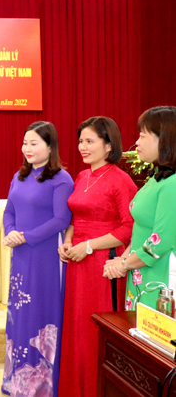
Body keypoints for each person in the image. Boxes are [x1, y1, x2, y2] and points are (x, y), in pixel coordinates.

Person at [58, 116, 136, 397]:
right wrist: (67, 241)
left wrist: (89, 245)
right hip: (76, 261)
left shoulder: (120, 179)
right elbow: (75, 216)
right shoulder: (82, 176)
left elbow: (129, 227)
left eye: (90, 141)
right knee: (76, 329)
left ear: (108, 145)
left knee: (93, 331)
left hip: (102, 265)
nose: (82, 147)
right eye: (81, 141)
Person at [1, 121, 73, 396]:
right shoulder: (19, 176)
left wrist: (26, 236)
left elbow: (61, 219)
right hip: (20, 255)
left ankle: (42, 386)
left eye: (34, 143)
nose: (27, 149)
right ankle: (15, 381)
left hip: (45, 257)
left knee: (41, 316)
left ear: (50, 146)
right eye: (25, 143)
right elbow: (9, 212)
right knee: (18, 316)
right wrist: (10, 232)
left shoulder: (61, 178)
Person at [104, 106, 176, 310]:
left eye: (143, 136)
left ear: (164, 140)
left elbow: (160, 241)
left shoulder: (172, 184)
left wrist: (124, 264)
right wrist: (124, 258)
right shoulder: (157, 177)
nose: (137, 142)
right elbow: (141, 231)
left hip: (160, 277)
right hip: (141, 272)